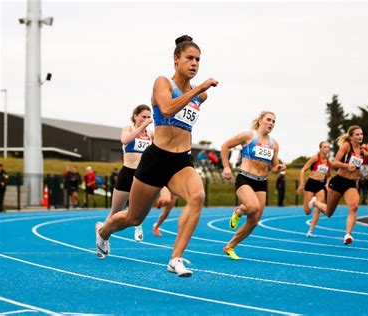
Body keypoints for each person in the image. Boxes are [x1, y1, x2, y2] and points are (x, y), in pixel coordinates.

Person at [96, 35, 218, 277]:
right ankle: (103, 231)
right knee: (133, 217)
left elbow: (189, 113)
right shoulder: (163, 83)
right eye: (189, 58)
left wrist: (198, 91)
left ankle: (175, 258)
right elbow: (167, 109)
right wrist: (200, 88)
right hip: (157, 158)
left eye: (198, 60)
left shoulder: (198, 94)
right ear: (176, 59)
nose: (194, 63)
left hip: (181, 160)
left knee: (197, 196)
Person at [221, 111, 286, 260]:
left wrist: (279, 168)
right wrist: (226, 167)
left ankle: (230, 246)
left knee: (254, 221)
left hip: (261, 182)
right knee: (253, 206)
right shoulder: (248, 136)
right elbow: (225, 146)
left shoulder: (274, 144)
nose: (271, 123)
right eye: (268, 120)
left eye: (274, 122)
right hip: (245, 178)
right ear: (260, 121)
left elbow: (273, 167)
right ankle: (239, 210)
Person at [104, 104, 154, 242]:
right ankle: (103, 235)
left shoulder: (150, 133)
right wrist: (141, 127)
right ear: (135, 116)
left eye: (149, 117)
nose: (146, 119)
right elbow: (125, 140)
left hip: (142, 174)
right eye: (143, 116)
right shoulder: (128, 129)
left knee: (139, 207)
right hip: (127, 173)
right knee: (115, 212)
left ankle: (138, 225)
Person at [311, 125, 366, 245]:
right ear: (351, 137)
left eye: (361, 134)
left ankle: (347, 235)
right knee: (329, 213)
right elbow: (335, 163)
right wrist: (346, 166)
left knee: (354, 207)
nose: (360, 136)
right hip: (338, 181)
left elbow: (357, 168)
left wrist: (358, 178)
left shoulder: (362, 151)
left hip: (351, 183)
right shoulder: (347, 146)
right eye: (357, 134)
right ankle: (315, 202)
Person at [296, 141, 331, 237]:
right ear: (320, 148)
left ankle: (310, 231)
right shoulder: (315, 158)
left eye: (328, 147)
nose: (327, 149)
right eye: (324, 147)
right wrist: (302, 183)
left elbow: (329, 175)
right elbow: (303, 170)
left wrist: (327, 184)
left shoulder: (328, 161)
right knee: (307, 212)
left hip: (320, 185)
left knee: (319, 209)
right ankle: (314, 202)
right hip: (311, 184)